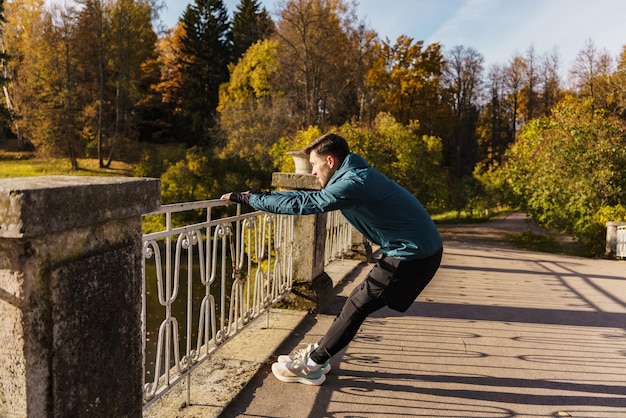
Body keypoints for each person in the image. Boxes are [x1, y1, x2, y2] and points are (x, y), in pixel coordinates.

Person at [220, 133, 443, 386]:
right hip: (417, 249)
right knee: (358, 303)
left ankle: (313, 364)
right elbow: (302, 198)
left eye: (315, 165)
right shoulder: (356, 176)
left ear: (330, 161)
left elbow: (305, 204)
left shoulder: (354, 183)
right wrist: (258, 195)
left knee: (357, 304)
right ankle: (320, 354)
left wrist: (249, 199)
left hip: (412, 253)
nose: (313, 172)